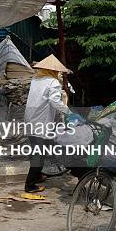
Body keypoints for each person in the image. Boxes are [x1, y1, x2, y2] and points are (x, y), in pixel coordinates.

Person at [23, 54, 71, 193]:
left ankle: (37, 176)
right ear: (53, 71)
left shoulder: (36, 80)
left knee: (37, 148)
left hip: (30, 118)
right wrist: (69, 112)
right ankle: (30, 185)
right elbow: (55, 102)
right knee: (39, 153)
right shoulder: (53, 82)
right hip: (41, 121)